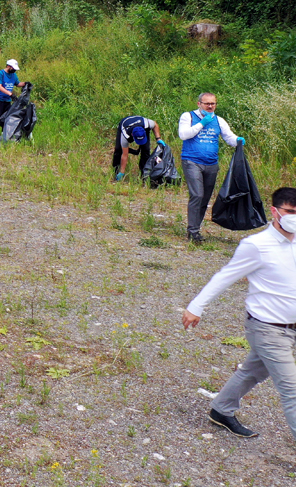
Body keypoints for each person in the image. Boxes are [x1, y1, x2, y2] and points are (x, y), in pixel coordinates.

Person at [182, 187, 296, 440]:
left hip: (292, 326)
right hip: (267, 329)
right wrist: (196, 306)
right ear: (275, 212)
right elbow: (225, 275)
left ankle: (221, 410)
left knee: (254, 371)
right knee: (292, 390)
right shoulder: (256, 245)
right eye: (291, 212)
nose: (295, 217)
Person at [178, 92, 243, 243]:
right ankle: (193, 232)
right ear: (199, 103)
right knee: (197, 195)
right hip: (192, 161)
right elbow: (183, 135)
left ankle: (195, 228)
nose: (210, 106)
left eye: (213, 103)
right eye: (207, 103)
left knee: (205, 198)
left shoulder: (219, 120)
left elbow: (229, 137)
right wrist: (202, 123)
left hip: (211, 164)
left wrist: (238, 141)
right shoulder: (188, 116)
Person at [112, 115, 163, 181]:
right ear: (132, 135)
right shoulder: (125, 134)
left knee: (146, 150)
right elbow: (125, 155)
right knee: (119, 150)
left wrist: (158, 138)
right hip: (125, 124)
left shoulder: (147, 124)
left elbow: (155, 124)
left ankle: (144, 175)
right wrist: (122, 171)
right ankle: (116, 172)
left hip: (141, 125)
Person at [0, 59, 25, 144]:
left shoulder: (13, 75)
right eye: (13, 68)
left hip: (7, 101)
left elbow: (17, 83)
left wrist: (25, 84)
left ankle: (5, 136)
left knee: (7, 119)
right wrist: (10, 94)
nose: (14, 70)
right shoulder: (0, 74)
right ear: (8, 66)